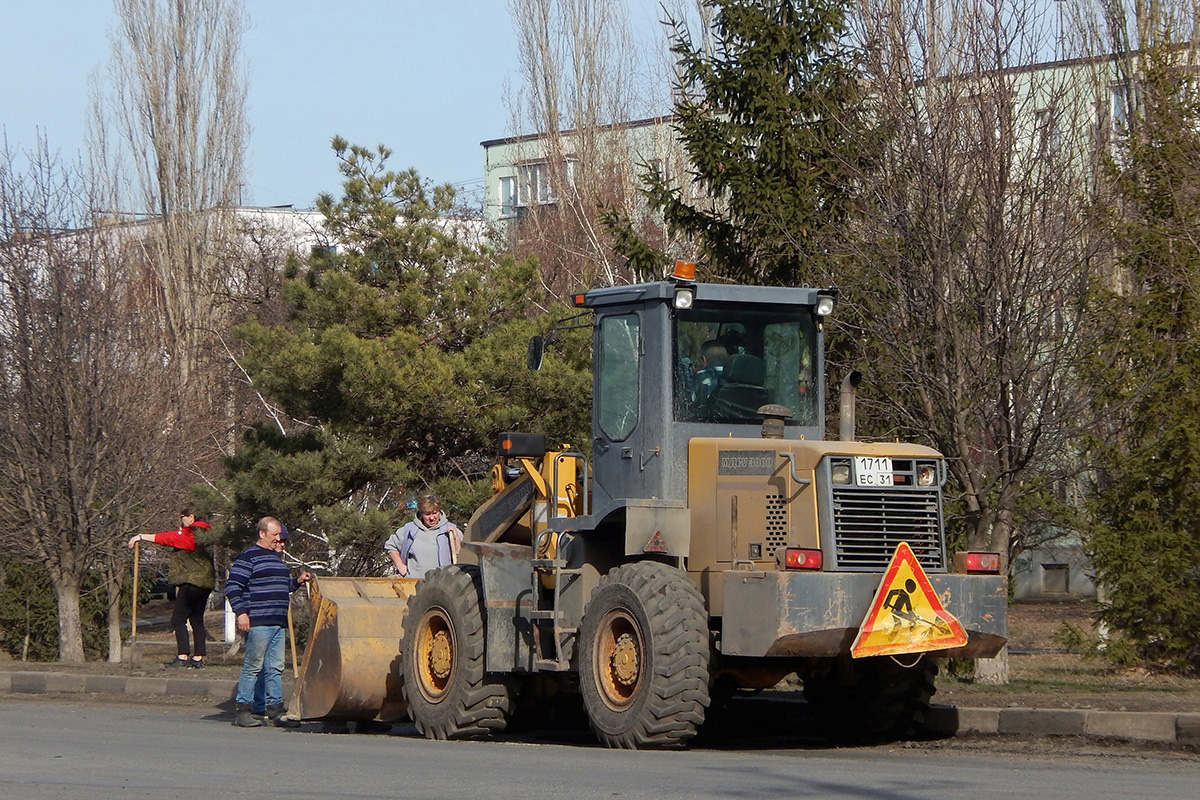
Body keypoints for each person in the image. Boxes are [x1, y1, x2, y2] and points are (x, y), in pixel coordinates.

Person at [226, 516, 312, 728]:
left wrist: (297, 582)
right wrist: (241, 613)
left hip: (277, 621)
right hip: (258, 620)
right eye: (274, 535)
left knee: (275, 667)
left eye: (279, 535)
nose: (278, 539)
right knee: (253, 665)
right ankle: (243, 709)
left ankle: (274, 709)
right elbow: (233, 586)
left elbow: (282, 586)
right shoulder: (248, 556)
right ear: (262, 533)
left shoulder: (276, 557)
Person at [127, 509, 215, 669]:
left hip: (191, 582)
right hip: (206, 583)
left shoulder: (192, 534)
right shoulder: (208, 534)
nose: (181, 521)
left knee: (178, 619)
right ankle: (198, 657)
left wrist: (141, 536)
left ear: (191, 517)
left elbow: (170, 538)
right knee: (196, 619)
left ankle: (182, 656)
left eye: (182, 517)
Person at [384, 495, 462, 579]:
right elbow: (390, 546)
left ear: (439, 511)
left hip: (442, 586)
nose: (432, 518)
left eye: (435, 513)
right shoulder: (409, 529)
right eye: (427, 514)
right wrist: (400, 566)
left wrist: (456, 540)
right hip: (412, 583)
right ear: (421, 513)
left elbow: (463, 557)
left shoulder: (451, 530)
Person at [692, 339, 729, 409]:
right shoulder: (736, 376)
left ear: (704, 360)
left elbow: (692, 401)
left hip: (706, 417)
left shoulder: (700, 376)